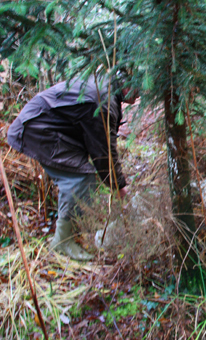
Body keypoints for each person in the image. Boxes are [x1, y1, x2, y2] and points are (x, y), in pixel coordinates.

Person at [7, 76, 138, 260]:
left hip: (51, 128)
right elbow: (104, 152)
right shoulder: (104, 102)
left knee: (84, 175)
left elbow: (100, 144)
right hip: (37, 128)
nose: (140, 95)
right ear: (126, 84)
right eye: (139, 89)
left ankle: (73, 230)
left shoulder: (107, 93)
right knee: (80, 178)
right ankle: (62, 242)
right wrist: (120, 187)